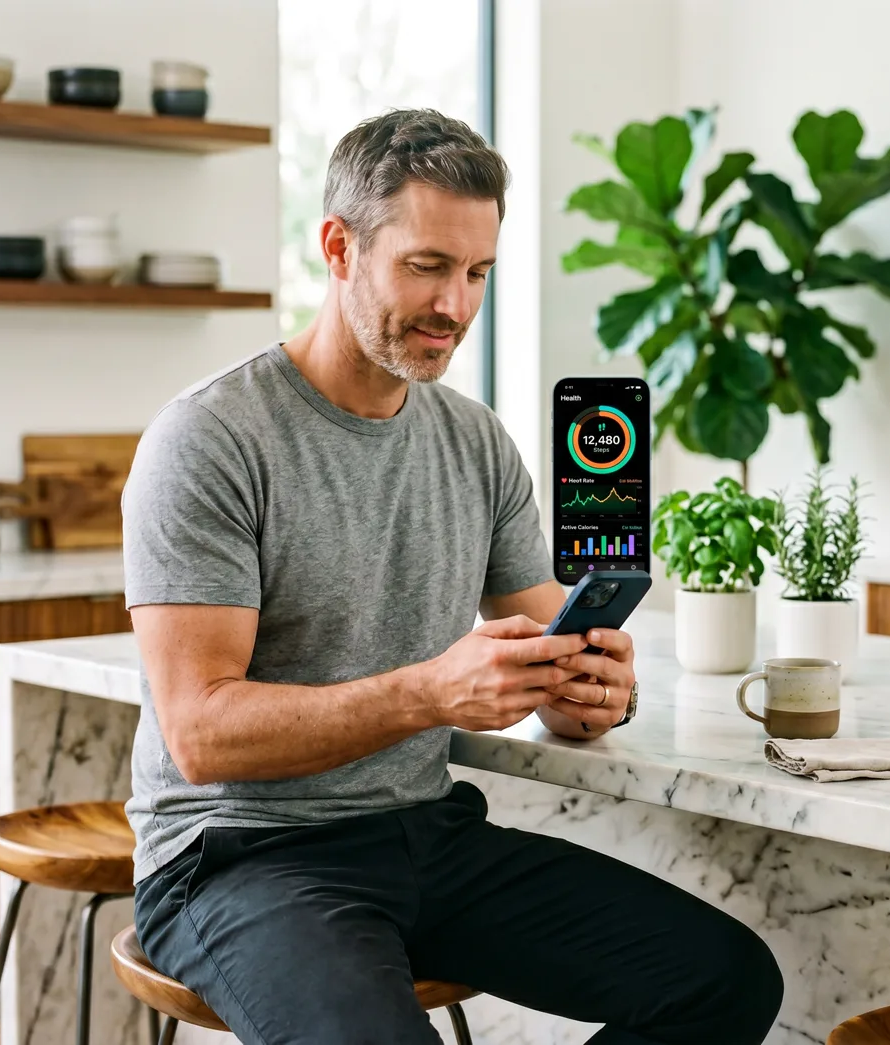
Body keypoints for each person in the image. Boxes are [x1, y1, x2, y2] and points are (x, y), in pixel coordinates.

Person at [122, 108, 783, 1045]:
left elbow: (548, 643)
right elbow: (202, 733)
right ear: (339, 248)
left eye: (477, 273)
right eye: (427, 266)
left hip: (423, 834)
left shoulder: (473, 441)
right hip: (238, 856)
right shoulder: (212, 439)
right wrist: (431, 692)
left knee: (723, 979)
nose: (456, 307)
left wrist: (591, 688)